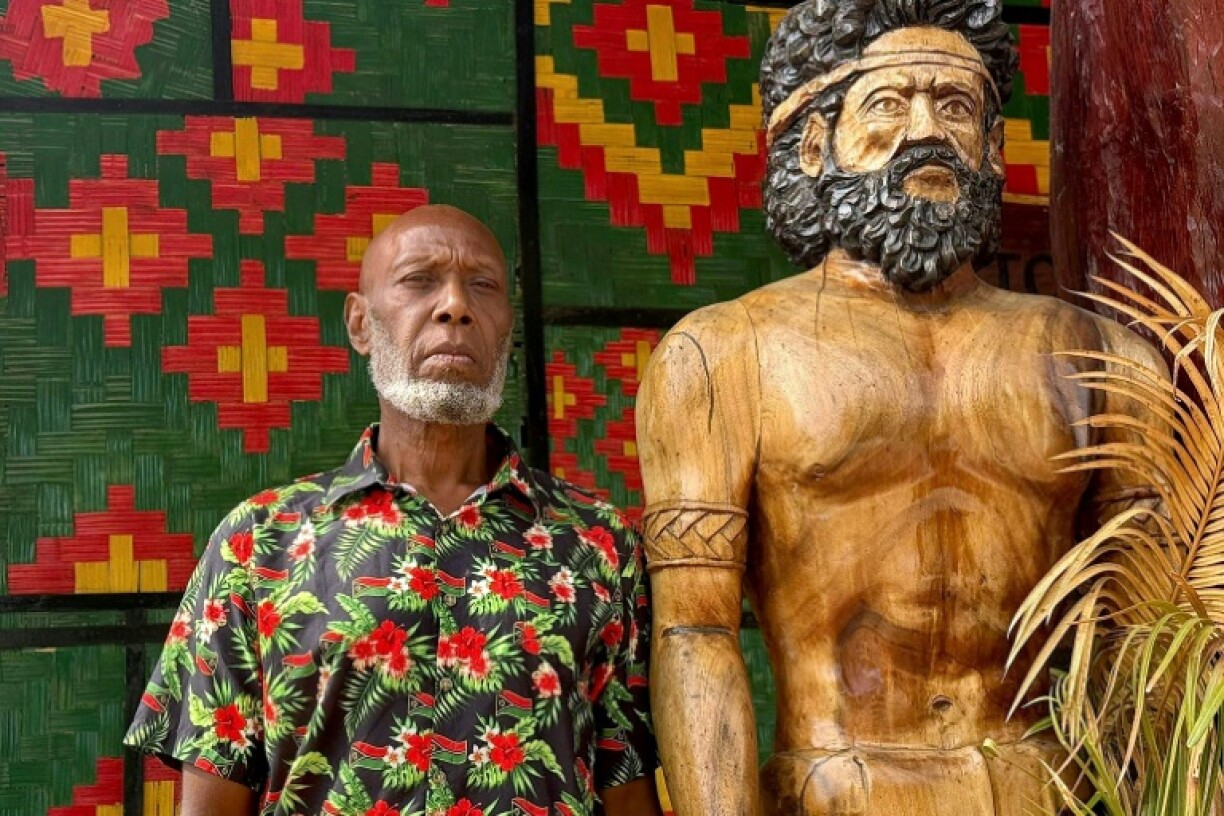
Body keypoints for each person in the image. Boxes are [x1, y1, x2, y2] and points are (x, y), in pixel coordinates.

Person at [635, 2, 1166, 815]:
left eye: (955, 105)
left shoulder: (1107, 361)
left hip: (1049, 789)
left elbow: (1147, 635)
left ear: (993, 146)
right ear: (815, 145)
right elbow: (694, 635)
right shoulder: (722, 355)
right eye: (889, 102)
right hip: (834, 791)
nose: (928, 130)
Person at [125, 205, 661, 816]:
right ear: (360, 323)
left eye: (483, 285)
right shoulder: (257, 544)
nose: (454, 305)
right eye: (419, 280)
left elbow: (627, 788)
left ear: (506, 328)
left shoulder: (598, 545)